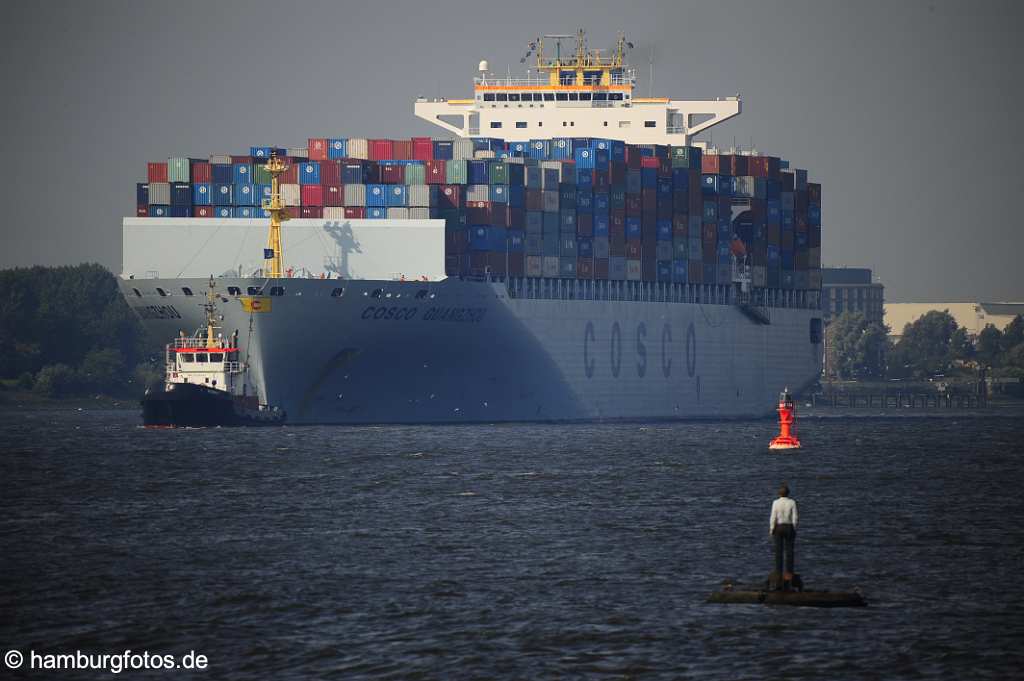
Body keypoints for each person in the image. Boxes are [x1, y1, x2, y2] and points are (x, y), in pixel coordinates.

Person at [770, 483, 798, 584]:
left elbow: (773, 517)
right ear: (788, 493)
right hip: (789, 526)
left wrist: (771, 529)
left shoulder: (775, 502)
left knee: (778, 551)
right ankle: (789, 573)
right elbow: (795, 517)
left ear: (779, 494)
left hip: (778, 527)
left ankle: (778, 572)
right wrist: (794, 528)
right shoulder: (792, 502)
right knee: (789, 551)